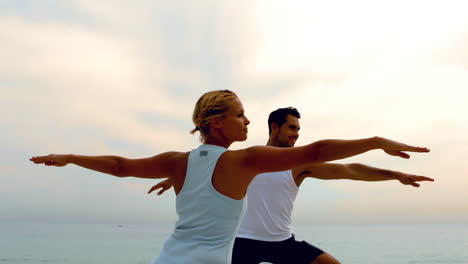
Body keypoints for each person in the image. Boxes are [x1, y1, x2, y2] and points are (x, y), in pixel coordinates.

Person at [30, 90, 430, 264]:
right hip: (233, 249)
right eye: (240, 114)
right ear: (218, 123)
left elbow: (121, 166)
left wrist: (70, 157)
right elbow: (323, 152)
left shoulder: (182, 160)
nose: (247, 119)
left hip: (179, 256)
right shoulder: (248, 161)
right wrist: (376, 139)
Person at [149, 106, 434, 264]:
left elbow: (350, 170)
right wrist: (174, 177)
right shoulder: (246, 159)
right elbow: (205, 169)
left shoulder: (297, 165)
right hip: (241, 244)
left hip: (283, 243)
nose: (296, 134)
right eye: (292, 128)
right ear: (275, 127)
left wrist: (395, 175)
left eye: (298, 129)